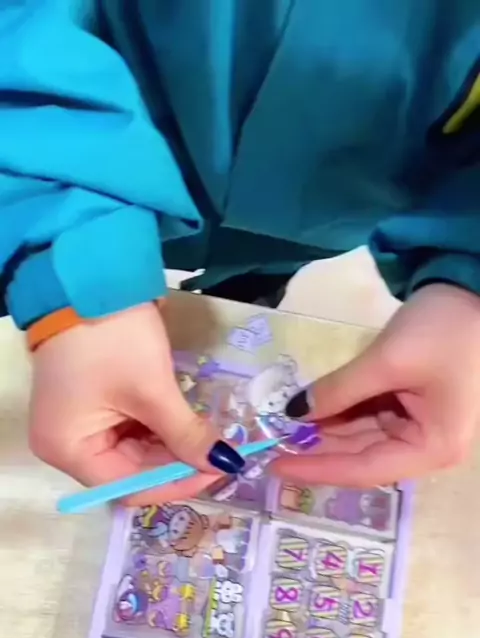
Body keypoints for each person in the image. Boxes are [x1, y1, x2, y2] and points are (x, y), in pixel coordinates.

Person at [1, 1, 480, 505]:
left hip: (306, 228)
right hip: (71, 164)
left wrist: (467, 287)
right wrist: (75, 281)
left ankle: (250, 285)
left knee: (254, 279)